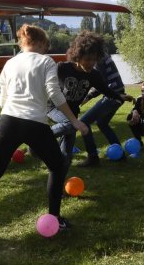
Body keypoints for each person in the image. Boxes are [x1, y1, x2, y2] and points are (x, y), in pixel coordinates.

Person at [0, 24, 88, 231]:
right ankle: (54, 218)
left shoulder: (9, 63)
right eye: (45, 46)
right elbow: (55, 95)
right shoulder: (46, 61)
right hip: (35, 123)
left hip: (8, 120)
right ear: (39, 43)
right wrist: (75, 121)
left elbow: (3, 99)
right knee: (57, 167)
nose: (46, 50)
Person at [47, 31, 131, 169]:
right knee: (73, 124)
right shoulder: (62, 68)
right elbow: (45, 84)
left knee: (66, 155)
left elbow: (105, 89)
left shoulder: (94, 75)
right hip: (55, 108)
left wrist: (120, 96)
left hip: (72, 113)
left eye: (94, 60)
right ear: (77, 56)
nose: (91, 63)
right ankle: (40, 137)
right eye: (87, 59)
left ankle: (60, 170)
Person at [77, 53, 133, 167]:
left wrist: (87, 96)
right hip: (118, 96)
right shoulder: (104, 57)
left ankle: (92, 157)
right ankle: (120, 155)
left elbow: (100, 84)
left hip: (113, 97)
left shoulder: (99, 59)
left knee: (83, 122)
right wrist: (88, 97)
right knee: (102, 123)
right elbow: (103, 84)